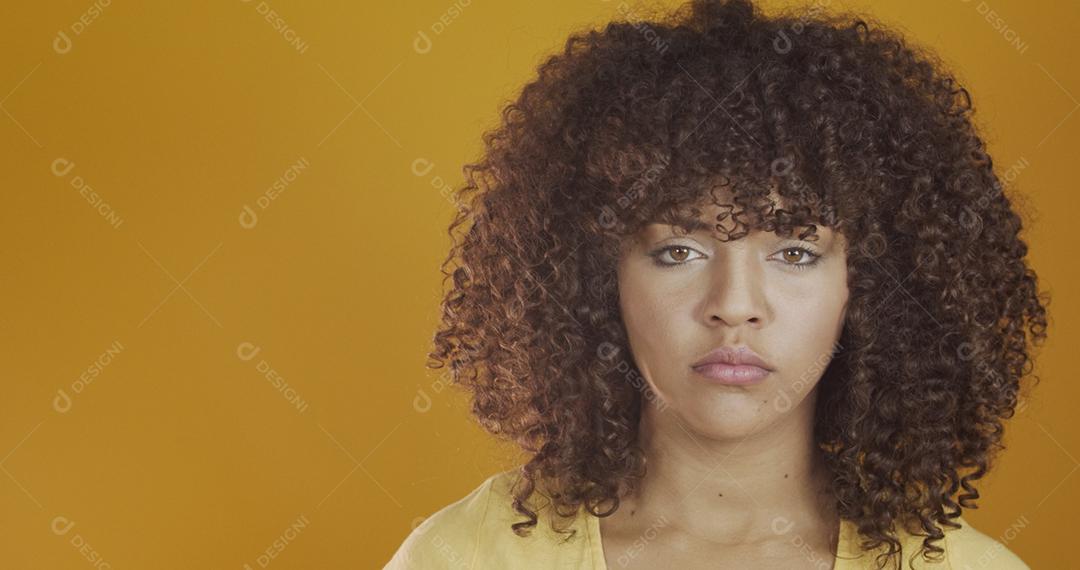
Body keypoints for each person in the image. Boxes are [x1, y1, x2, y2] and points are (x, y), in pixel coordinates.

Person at [387, 0, 1048, 567]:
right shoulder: (466, 555)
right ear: (596, 278)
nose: (733, 307)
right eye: (678, 251)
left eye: (795, 252)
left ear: (870, 285)